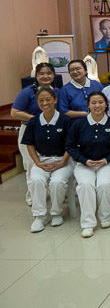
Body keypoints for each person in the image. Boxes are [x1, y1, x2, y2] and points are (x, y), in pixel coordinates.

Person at [66, 92, 110, 238]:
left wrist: (106, 160)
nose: (97, 106)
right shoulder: (79, 124)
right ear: (88, 105)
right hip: (84, 163)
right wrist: (84, 160)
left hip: (107, 163)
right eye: (94, 103)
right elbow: (70, 146)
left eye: (100, 102)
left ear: (106, 104)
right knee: (85, 185)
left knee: (104, 185)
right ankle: (88, 223)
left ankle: (105, 216)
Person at [21, 88, 73, 232]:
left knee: (57, 182)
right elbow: (29, 144)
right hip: (42, 159)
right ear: (37, 103)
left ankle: (56, 212)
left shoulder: (65, 120)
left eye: (48, 99)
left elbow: (70, 145)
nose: (45, 103)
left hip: (64, 160)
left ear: (55, 100)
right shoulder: (33, 122)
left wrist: (62, 162)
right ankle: (39, 216)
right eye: (41, 100)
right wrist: (38, 163)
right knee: (36, 180)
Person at [11, 62, 62, 205]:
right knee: (32, 166)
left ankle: (51, 195)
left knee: (50, 164)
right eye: (41, 74)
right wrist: (35, 119)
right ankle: (33, 199)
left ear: (54, 75)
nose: (45, 76)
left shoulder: (57, 91)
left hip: (51, 132)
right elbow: (14, 112)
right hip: (29, 130)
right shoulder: (28, 91)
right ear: (36, 75)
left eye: (48, 73)